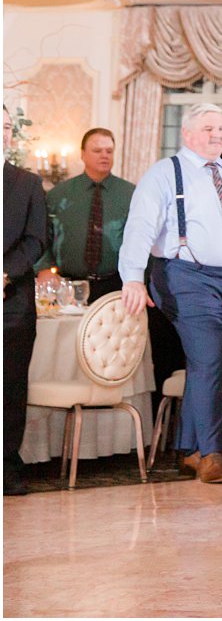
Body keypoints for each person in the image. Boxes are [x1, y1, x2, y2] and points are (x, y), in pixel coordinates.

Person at [119, 103, 222, 484]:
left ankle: (189, 448)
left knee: (209, 361)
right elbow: (140, 228)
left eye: (221, 128)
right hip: (185, 277)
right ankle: (213, 453)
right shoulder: (164, 174)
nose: (217, 134)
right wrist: (132, 276)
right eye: (208, 128)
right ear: (187, 134)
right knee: (210, 354)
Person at [4, 106, 47, 496]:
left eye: (4, 126)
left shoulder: (27, 182)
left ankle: (6, 468)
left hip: (12, 302)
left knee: (11, 388)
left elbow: (37, 239)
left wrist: (5, 274)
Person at [37, 127, 134, 299]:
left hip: (116, 285)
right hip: (66, 285)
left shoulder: (131, 194)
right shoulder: (59, 194)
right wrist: (43, 268)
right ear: (83, 154)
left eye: (109, 151)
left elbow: (141, 240)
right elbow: (41, 235)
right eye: (97, 150)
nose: (104, 155)